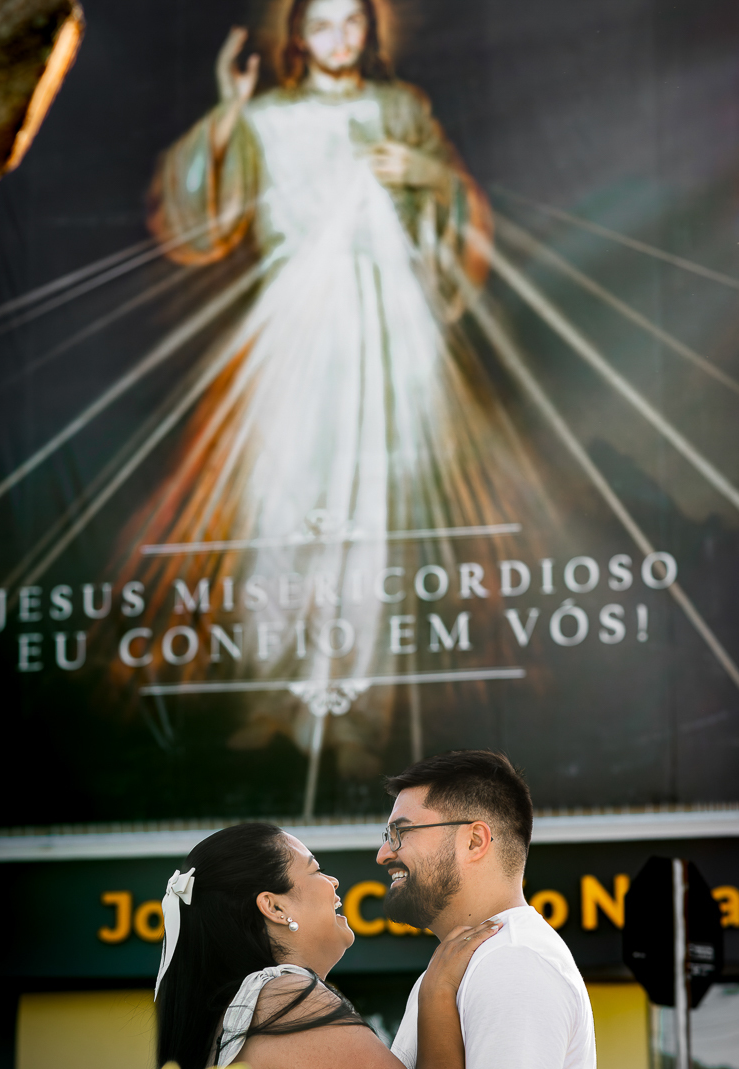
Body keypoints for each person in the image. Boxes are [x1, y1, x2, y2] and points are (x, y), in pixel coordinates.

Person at [118, 0, 549, 777]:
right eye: (322, 24)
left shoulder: (399, 109)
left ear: (369, 33)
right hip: (293, 323)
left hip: (383, 323)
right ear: (298, 37)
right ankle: (269, 700)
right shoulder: (268, 116)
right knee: (281, 508)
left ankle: (355, 717)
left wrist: (424, 172)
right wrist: (227, 111)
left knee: (369, 519)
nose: (339, 38)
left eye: (352, 23)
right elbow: (198, 216)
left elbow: (450, 207)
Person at [248, 749, 597, 1069]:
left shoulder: (514, 961)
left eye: (401, 832)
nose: (382, 853)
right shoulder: (461, 966)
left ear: (475, 841)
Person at [154, 820, 502, 1069]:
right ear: (274, 908)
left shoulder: (229, 1016)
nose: (333, 882)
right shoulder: (284, 999)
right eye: (316, 870)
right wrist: (438, 988)